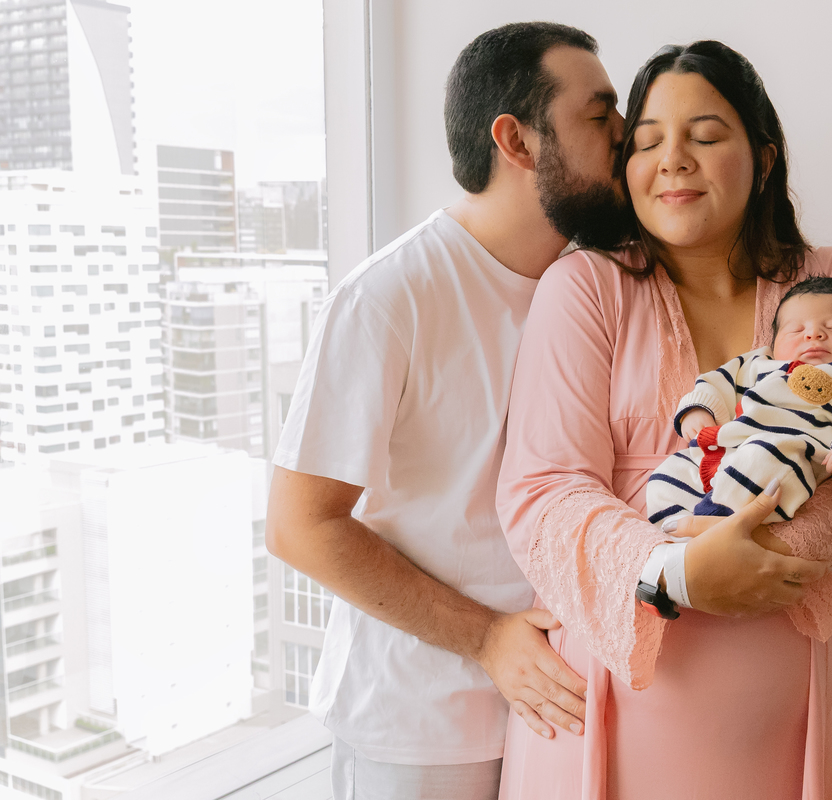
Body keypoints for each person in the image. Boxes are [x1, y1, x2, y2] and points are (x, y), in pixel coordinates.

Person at [495, 40, 832, 799]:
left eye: (705, 137)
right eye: (645, 142)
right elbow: (544, 489)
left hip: (796, 710)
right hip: (614, 704)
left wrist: (776, 553)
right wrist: (681, 573)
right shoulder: (585, 287)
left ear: (764, 158)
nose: (673, 160)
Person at [265, 22, 630, 800]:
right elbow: (302, 526)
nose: (629, 142)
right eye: (601, 118)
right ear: (517, 141)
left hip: (559, 715)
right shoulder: (390, 297)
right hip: (418, 734)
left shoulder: (591, 288)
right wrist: (488, 638)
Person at [645, 276, 832, 538]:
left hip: (792, 454)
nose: (813, 334)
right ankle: (674, 537)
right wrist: (700, 408)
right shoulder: (759, 363)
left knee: (764, 459)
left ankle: (714, 525)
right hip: (728, 450)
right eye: (795, 330)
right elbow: (717, 382)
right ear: (774, 344)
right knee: (665, 477)